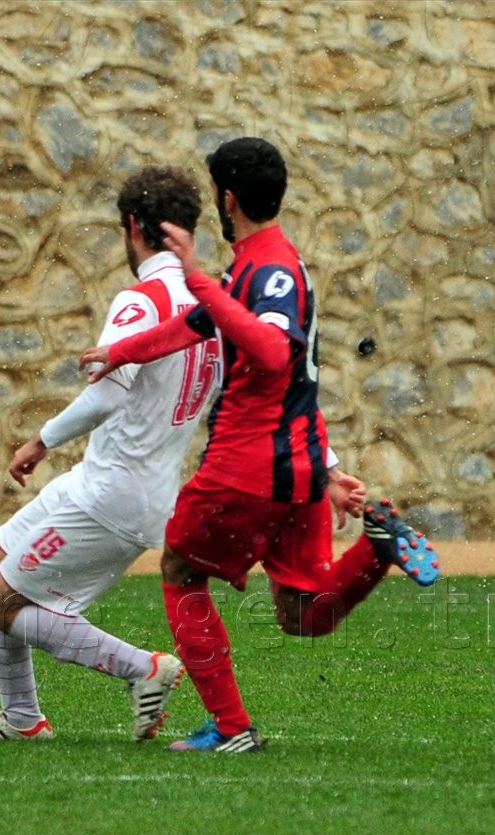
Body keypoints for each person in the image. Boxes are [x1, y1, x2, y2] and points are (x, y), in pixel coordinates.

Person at [78, 137, 440, 753]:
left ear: (227, 197)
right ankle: (380, 547)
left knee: (180, 569)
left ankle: (230, 726)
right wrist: (121, 350)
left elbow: (275, 355)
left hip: (249, 462)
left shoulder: (267, 271)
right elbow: (200, 324)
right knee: (303, 614)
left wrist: (196, 276)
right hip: (296, 462)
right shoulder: (264, 263)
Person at [0, 165, 222, 743]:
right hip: (111, 481)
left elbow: (105, 394)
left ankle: (143, 669)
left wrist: (39, 440)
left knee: (4, 601)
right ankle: (23, 721)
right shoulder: (216, 306)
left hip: (114, 494)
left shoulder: (144, 299)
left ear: (132, 228)